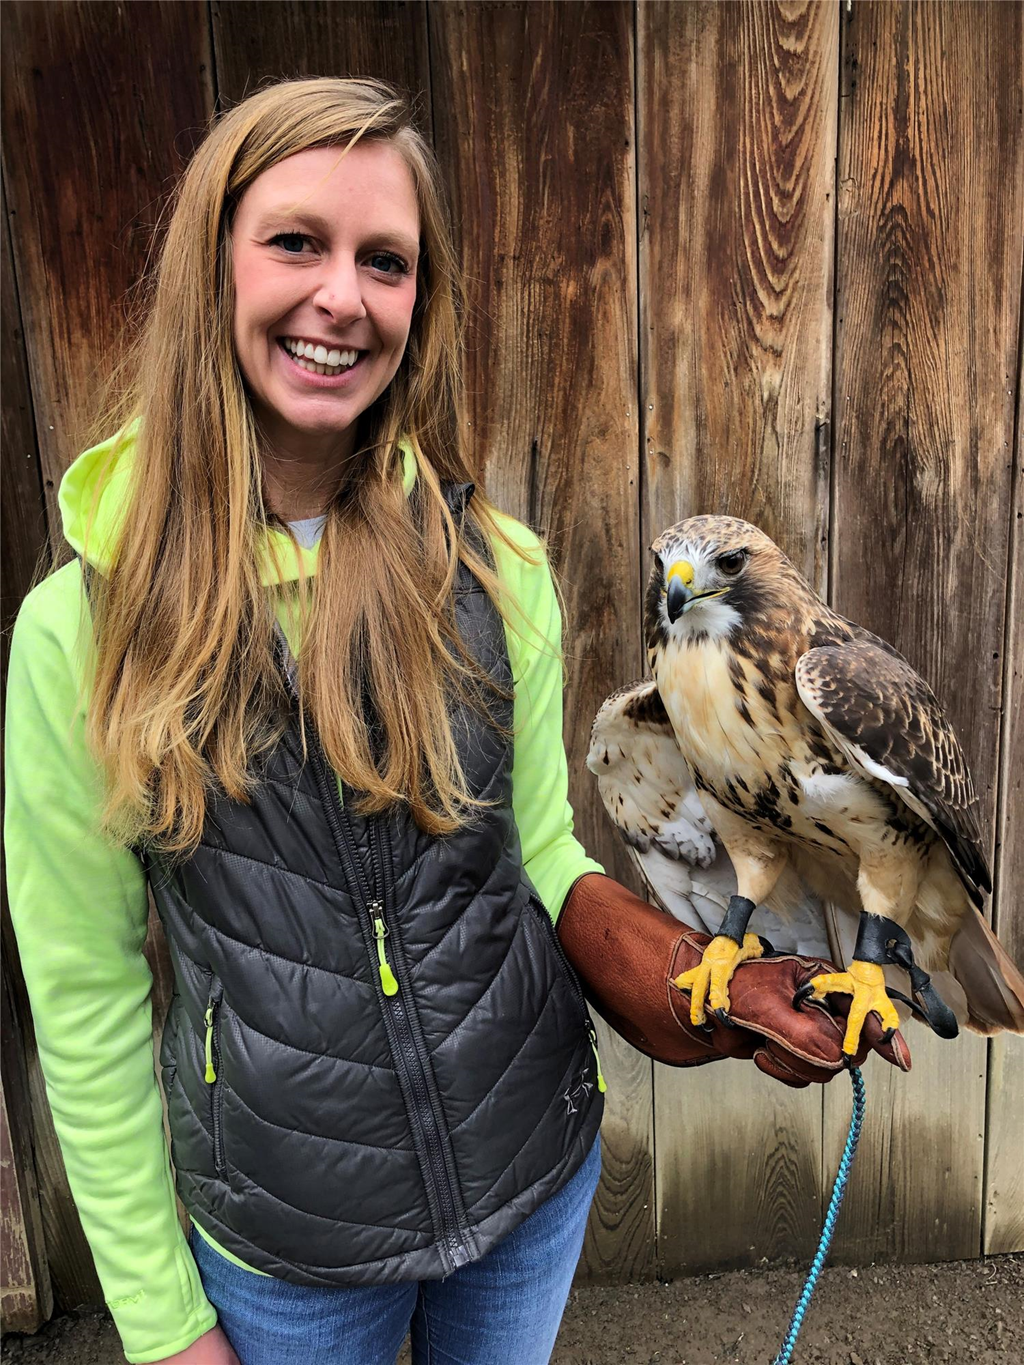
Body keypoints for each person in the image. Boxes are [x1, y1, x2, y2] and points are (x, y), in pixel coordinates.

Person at [4, 77, 906, 1365]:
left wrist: (715, 992)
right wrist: (162, 1328)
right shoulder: (79, 634)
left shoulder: (496, 570)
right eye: (295, 242)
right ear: (212, 267)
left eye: (387, 261)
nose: (343, 298)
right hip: (287, 1254)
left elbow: (541, 858)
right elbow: (85, 997)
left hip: (533, 1185)